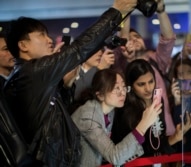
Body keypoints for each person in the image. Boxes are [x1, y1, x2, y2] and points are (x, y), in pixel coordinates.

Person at [3, 0, 137, 166]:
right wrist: (116, 11)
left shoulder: (26, 75)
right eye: (41, 35)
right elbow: (79, 49)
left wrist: (66, 85)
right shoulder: (32, 72)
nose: (49, 39)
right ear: (23, 45)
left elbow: (52, 116)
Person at [71, 69, 162, 166]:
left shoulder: (110, 111)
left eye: (123, 87)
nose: (122, 92)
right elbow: (115, 156)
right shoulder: (88, 117)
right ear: (100, 95)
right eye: (116, 88)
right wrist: (143, 124)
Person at [111, 59, 191, 166]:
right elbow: (129, 151)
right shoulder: (125, 110)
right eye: (141, 84)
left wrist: (176, 137)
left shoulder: (158, 101)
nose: (148, 88)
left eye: (151, 81)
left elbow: (158, 144)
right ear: (131, 86)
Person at [112, 0, 176, 136]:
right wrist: (127, 8)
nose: (134, 39)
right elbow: (122, 37)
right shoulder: (121, 65)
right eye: (130, 38)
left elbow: (168, 39)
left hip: (165, 133)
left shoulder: (156, 60)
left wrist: (161, 10)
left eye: (137, 36)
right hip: (136, 135)